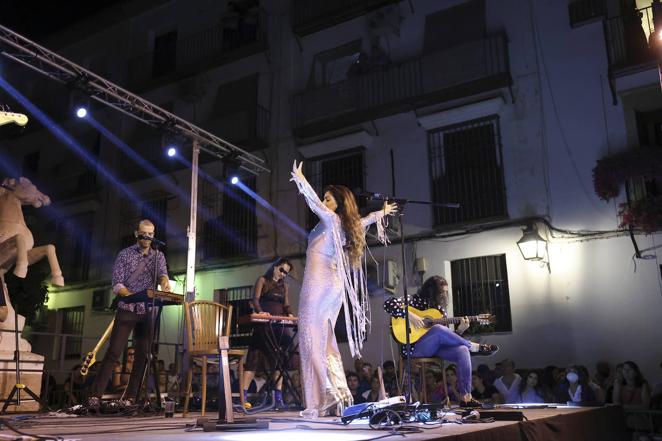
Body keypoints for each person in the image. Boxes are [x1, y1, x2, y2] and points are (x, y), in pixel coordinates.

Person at [290, 160, 397, 418]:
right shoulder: (345, 225)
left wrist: (301, 180)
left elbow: (314, 204)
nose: (325, 203)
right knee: (325, 341)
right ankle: (338, 393)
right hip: (333, 285)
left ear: (337, 203)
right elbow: (366, 220)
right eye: (325, 199)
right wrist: (382, 212)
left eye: (329, 199)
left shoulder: (330, 220)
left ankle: (324, 397)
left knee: (309, 337)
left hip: (318, 283)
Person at [86, 219, 170, 408]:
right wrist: (133, 295)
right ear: (136, 234)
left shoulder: (158, 256)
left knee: (142, 354)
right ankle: (95, 395)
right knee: (114, 352)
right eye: (143, 234)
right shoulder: (124, 255)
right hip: (127, 309)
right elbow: (117, 284)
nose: (147, 238)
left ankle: (131, 397)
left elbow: (163, 274)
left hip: (147, 311)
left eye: (150, 234)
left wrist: (164, 282)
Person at [384, 275, 498, 407]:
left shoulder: (439, 310)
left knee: (462, 350)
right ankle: (474, 346)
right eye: (442, 292)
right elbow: (388, 304)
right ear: (431, 290)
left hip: (436, 349)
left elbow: (447, 338)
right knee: (438, 329)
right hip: (414, 348)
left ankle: (466, 398)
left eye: (446, 292)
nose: (445, 295)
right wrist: (410, 315)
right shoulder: (413, 300)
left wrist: (460, 330)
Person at [242, 257, 294, 410]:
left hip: (278, 327)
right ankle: (243, 396)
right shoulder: (263, 280)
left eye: (287, 273)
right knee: (253, 360)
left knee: (278, 362)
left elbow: (286, 304)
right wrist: (260, 312)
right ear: (275, 267)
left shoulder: (284, 286)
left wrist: (290, 314)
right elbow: (255, 300)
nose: (284, 274)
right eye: (283, 270)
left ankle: (278, 398)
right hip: (263, 324)